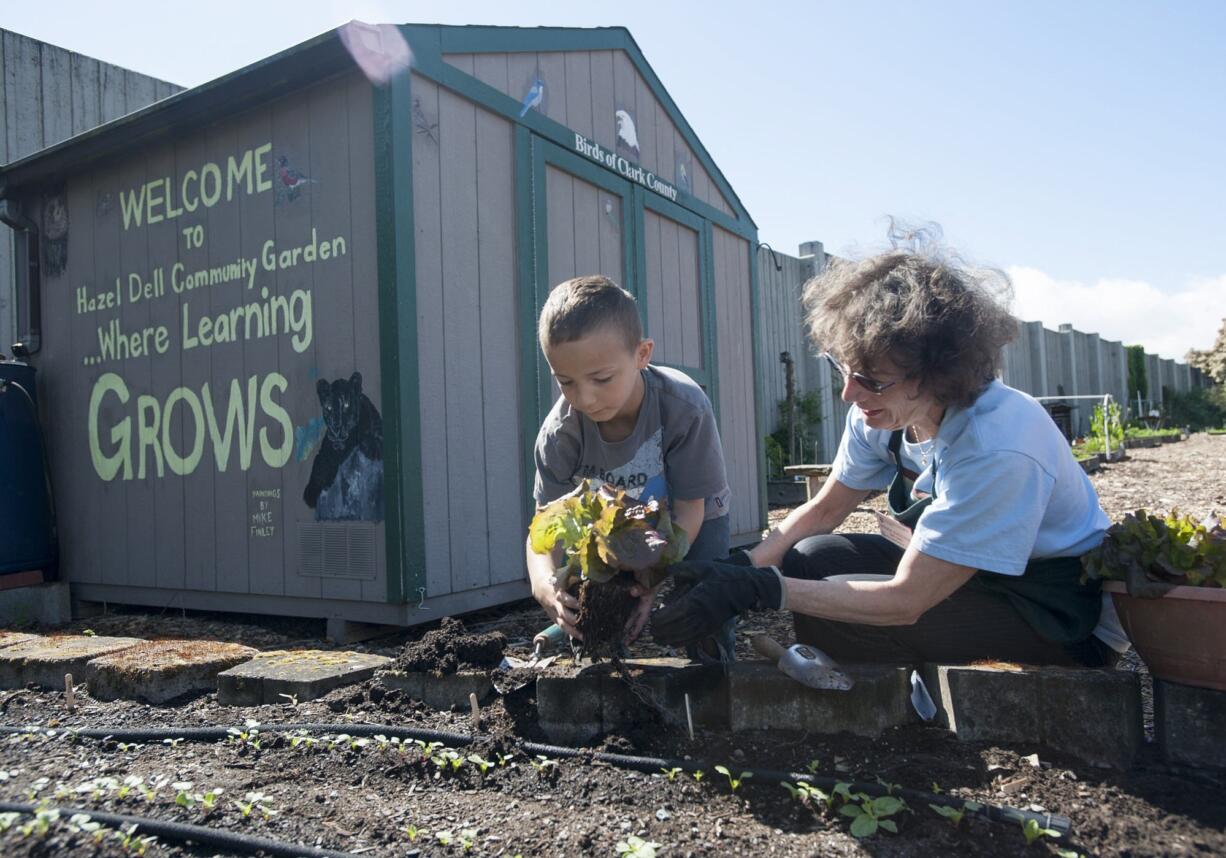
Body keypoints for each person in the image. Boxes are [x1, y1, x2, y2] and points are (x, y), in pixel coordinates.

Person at [650, 230, 1129, 667]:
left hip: (1056, 612)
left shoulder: (998, 445)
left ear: (940, 373)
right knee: (812, 557)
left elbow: (905, 601)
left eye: (871, 381)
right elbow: (823, 511)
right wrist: (741, 566)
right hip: (974, 575)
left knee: (844, 616)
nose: (849, 395)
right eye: (845, 371)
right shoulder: (883, 412)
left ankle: (910, 717)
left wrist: (759, 590)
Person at [527, 275, 734, 659]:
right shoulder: (560, 435)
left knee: (702, 597)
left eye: (601, 379)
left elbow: (692, 509)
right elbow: (543, 527)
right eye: (565, 382)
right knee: (596, 595)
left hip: (692, 516)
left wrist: (653, 581)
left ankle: (715, 668)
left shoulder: (683, 408)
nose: (584, 398)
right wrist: (545, 584)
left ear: (642, 354)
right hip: (617, 522)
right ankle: (595, 653)